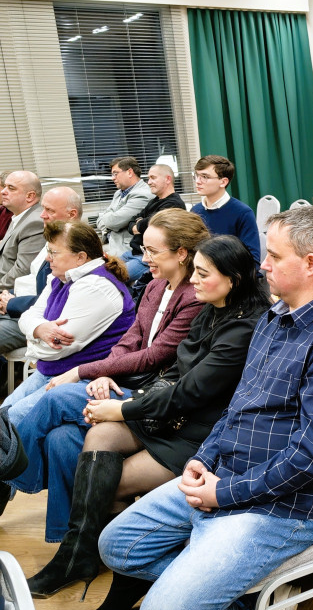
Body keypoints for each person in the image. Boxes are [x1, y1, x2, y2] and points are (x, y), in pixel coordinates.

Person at [98, 207, 313, 610]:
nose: (262, 265)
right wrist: (202, 459)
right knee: (117, 545)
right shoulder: (273, 319)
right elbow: (238, 408)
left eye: (273, 255)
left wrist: (223, 494)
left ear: (311, 264)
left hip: (284, 508)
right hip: (224, 478)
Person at [25, 236, 270, 610]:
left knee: (107, 480)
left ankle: (124, 577)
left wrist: (123, 408)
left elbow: (190, 392)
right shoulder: (211, 309)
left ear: (233, 279)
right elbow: (174, 371)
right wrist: (124, 400)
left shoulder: (244, 328)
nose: (195, 282)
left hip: (200, 433)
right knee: (98, 435)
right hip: (170, 412)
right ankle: (80, 554)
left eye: (204, 274)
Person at [4, 209, 204, 542]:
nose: (143, 256)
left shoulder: (193, 296)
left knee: (53, 398)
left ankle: (7, 473)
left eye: (153, 251)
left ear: (181, 253)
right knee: (60, 439)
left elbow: (156, 356)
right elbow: (132, 339)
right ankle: (72, 543)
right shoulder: (156, 286)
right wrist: (101, 375)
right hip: (124, 384)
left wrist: (84, 371)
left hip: (154, 398)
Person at [1, 221, 136, 423]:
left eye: (54, 252)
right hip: (52, 371)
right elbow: (29, 315)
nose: (48, 258)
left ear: (80, 257)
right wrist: (39, 329)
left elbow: (55, 350)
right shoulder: (62, 277)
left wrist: (33, 336)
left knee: (9, 422)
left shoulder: (96, 286)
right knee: (3, 414)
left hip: (82, 379)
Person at [0, 186, 81, 356]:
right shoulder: (54, 240)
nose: (42, 215)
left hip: (40, 320)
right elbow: (33, 281)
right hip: (25, 310)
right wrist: (6, 297)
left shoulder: (75, 251)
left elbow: (56, 301)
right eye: (43, 208)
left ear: (72, 215)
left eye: (49, 210)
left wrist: (11, 303)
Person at [190, 154, 261, 263]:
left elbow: (252, 259)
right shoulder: (195, 211)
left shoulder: (242, 213)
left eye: (204, 177)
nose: (198, 181)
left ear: (223, 182)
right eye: (197, 175)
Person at [122, 164, 187, 281]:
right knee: (103, 268)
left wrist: (140, 224)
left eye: (153, 178)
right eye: (148, 178)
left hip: (148, 259)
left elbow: (149, 226)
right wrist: (139, 224)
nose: (149, 182)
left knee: (112, 277)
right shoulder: (154, 201)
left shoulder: (174, 204)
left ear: (168, 179)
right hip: (132, 253)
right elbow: (132, 222)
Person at [96, 157, 154, 259]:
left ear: (130, 172)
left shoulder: (143, 194)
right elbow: (100, 220)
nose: (112, 178)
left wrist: (109, 219)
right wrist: (109, 219)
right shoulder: (118, 193)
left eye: (115, 173)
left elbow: (113, 221)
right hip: (112, 245)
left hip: (128, 250)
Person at [0, 170, 45, 291]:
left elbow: (22, 271)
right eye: (4, 187)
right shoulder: (18, 216)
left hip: (9, 291)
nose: (3, 191)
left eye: (11, 188)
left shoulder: (35, 222)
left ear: (30, 196)